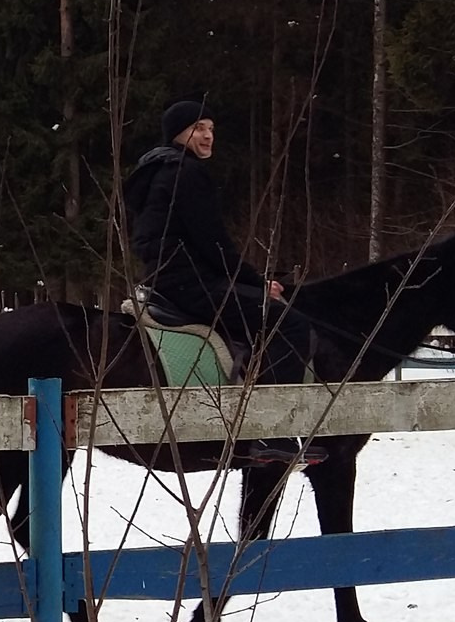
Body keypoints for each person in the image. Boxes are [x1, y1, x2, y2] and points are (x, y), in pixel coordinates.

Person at [123, 97, 316, 463]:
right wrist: (257, 283)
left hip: (171, 280)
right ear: (179, 134)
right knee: (290, 324)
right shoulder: (186, 172)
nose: (208, 136)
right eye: (199, 128)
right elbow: (213, 244)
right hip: (190, 282)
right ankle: (270, 433)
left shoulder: (161, 172)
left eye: (211, 129)